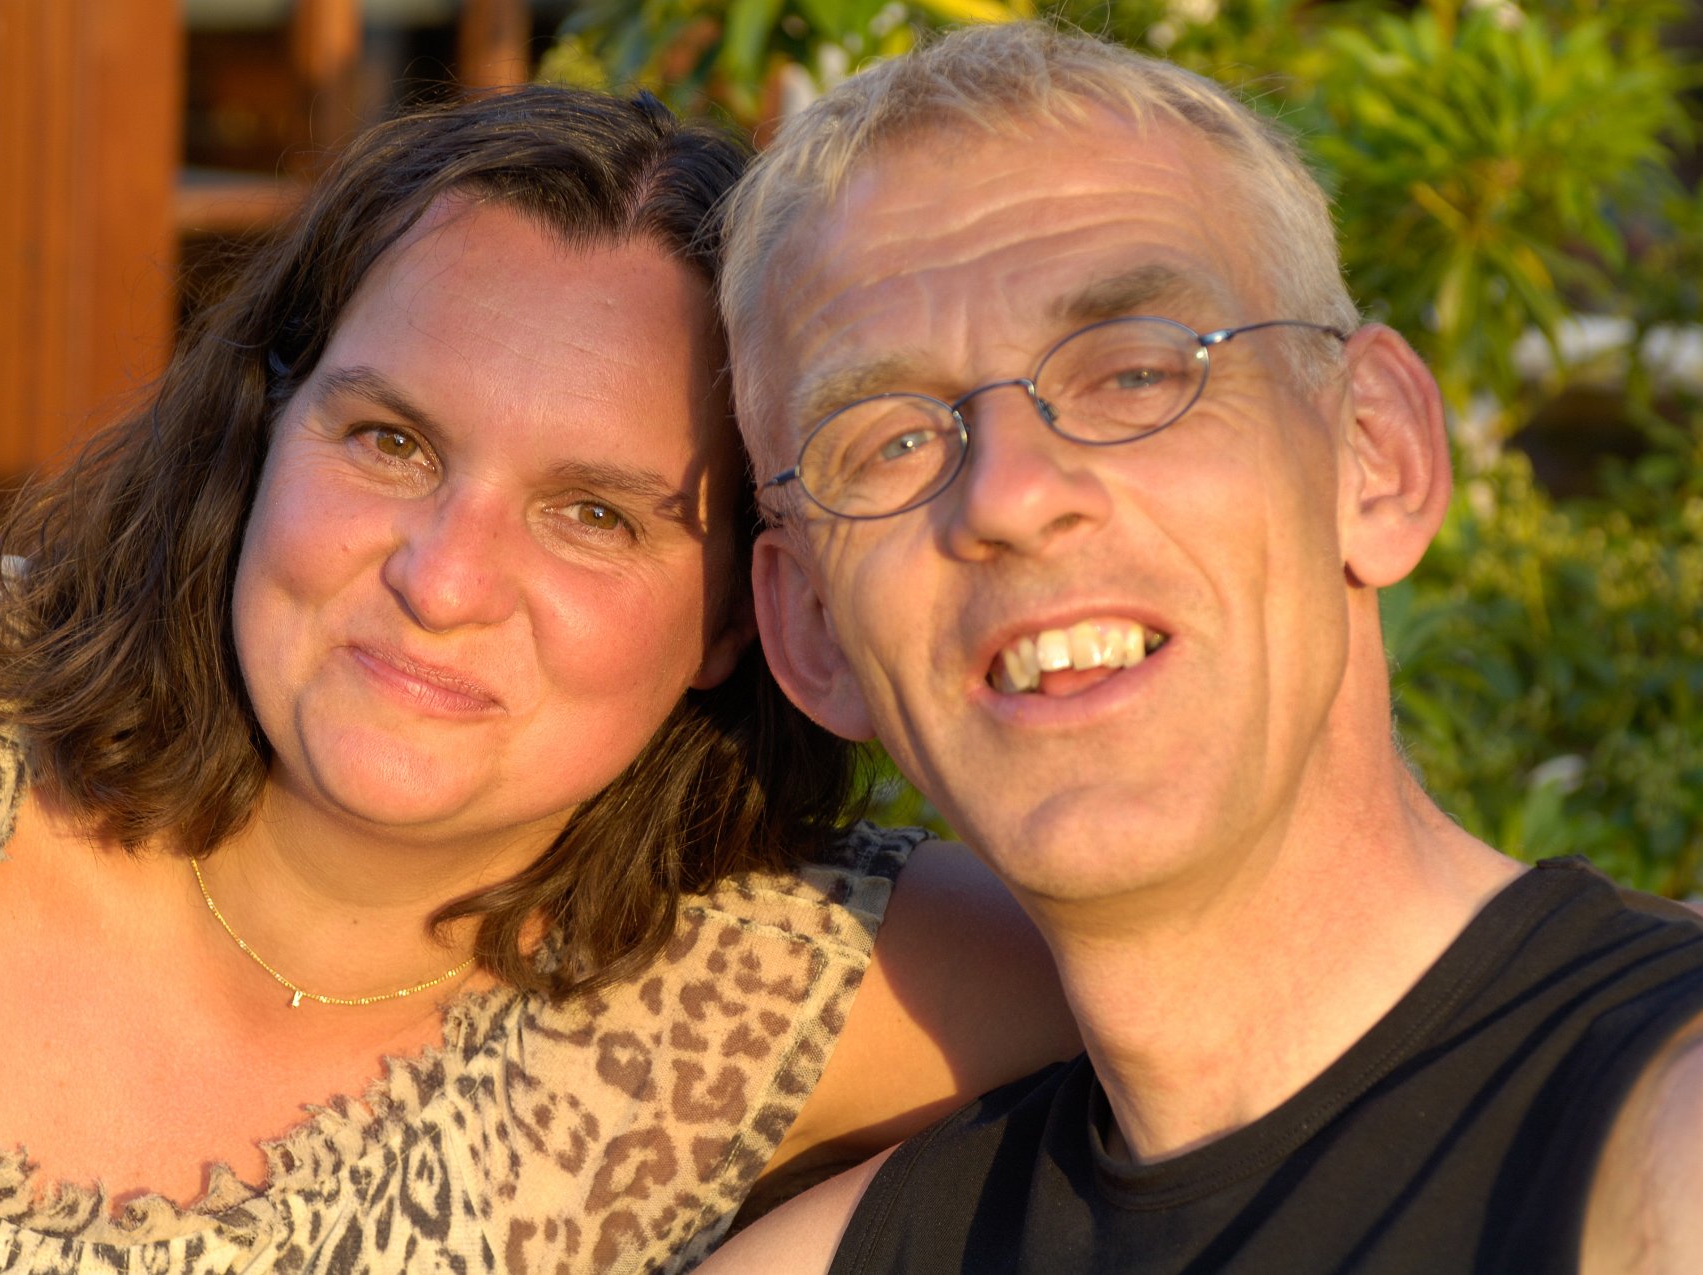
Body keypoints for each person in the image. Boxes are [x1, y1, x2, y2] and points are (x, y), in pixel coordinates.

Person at [0, 86, 1071, 1274]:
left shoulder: (773, 989)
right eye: (391, 442)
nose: (443, 582)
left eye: (594, 515)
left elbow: (1193, 978)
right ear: (263, 431)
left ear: (743, 612)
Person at [703, 23, 1703, 1275]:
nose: (1009, 495)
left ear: (1374, 452)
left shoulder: (1662, 1144)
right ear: (809, 629)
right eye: (890, 443)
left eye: (1135, 374)